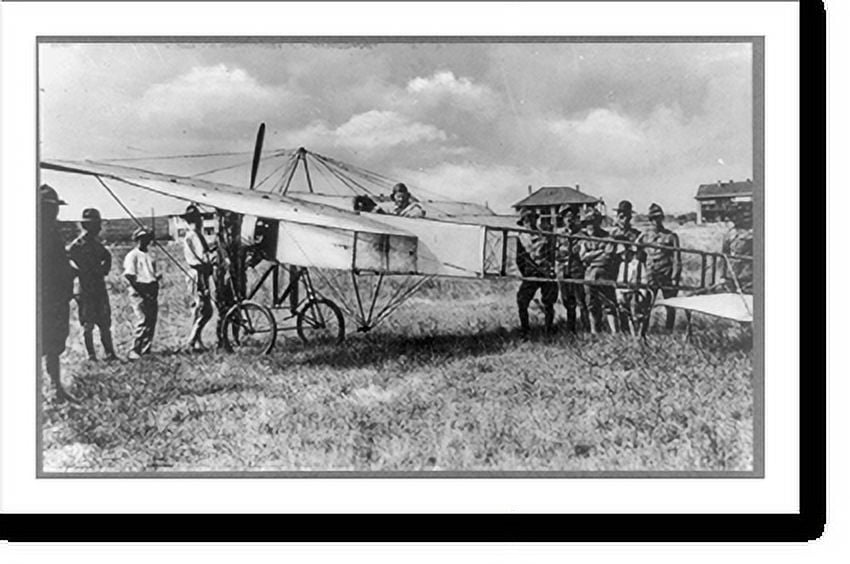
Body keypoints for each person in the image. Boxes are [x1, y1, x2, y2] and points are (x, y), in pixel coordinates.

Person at [39, 184, 79, 402]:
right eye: (49, 207)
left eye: (54, 207)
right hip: (44, 298)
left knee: (54, 344)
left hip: (56, 298)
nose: (54, 211)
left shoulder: (51, 230)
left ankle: (56, 388)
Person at [67, 208, 117, 361]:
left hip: (98, 287)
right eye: (96, 224)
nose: (99, 228)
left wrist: (103, 270)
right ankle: (91, 355)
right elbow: (67, 260)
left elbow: (107, 257)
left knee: (104, 322)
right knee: (88, 324)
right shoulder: (77, 245)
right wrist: (79, 271)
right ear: (87, 226)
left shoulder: (97, 244)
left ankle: (110, 353)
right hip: (85, 288)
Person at [635, 203, 682, 333]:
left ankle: (668, 332)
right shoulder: (644, 237)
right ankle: (642, 332)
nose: (656, 221)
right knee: (647, 305)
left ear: (662, 219)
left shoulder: (671, 236)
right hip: (651, 275)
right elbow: (639, 256)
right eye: (653, 218)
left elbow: (677, 258)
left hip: (666, 275)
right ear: (650, 220)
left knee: (670, 305)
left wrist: (675, 276)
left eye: (658, 218)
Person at [515, 208, 558, 335]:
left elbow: (551, 253)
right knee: (522, 301)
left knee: (548, 302)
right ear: (523, 222)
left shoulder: (544, 236)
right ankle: (525, 330)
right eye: (526, 220)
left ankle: (549, 329)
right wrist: (526, 273)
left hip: (545, 272)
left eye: (532, 218)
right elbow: (519, 259)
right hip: (531, 274)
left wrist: (551, 268)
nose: (529, 222)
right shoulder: (521, 238)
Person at [577, 207, 618, 334]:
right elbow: (583, 257)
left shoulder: (608, 237)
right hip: (589, 275)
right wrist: (600, 251)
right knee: (592, 305)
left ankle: (615, 333)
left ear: (599, 222)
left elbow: (608, 256)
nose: (592, 225)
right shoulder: (584, 240)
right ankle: (595, 332)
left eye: (594, 221)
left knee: (609, 304)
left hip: (605, 274)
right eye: (589, 222)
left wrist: (591, 255)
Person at [181, 204, 214, 351]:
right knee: (204, 309)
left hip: (197, 273)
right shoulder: (194, 235)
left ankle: (196, 342)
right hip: (198, 273)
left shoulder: (192, 235)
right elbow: (203, 257)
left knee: (199, 308)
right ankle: (191, 341)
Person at [123, 228, 160, 359]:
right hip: (139, 290)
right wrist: (141, 291)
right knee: (143, 320)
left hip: (151, 289)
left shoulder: (150, 255)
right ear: (137, 239)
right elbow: (130, 275)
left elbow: (152, 273)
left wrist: (155, 282)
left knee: (151, 320)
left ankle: (145, 348)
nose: (145, 241)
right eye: (142, 238)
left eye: (147, 238)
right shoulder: (132, 255)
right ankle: (134, 349)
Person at [609, 200, 642, 335]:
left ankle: (635, 331)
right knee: (618, 300)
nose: (624, 219)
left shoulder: (635, 233)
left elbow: (639, 250)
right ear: (617, 217)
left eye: (627, 216)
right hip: (615, 268)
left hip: (630, 267)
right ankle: (622, 330)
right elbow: (608, 251)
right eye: (621, 216)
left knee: (632, 298)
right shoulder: (612, 233)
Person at [555, 206, 588, 332]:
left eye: (571, 217)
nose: (569, 220)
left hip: (576, 271)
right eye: (566, 217)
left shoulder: (581, 234)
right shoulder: (558, 235)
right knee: (568, 302)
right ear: (562, 219)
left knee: (581, 301)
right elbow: (555, 252)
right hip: (563, 271)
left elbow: (583, 252)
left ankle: (586, 329)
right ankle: (571, 330)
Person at [721, 206, 754, 292]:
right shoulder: (730, 233)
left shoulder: (753, 233)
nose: (736, 219)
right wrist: (722, 276)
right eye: (733, 217)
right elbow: (725, 254)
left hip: (747, 278)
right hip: (731, 275)